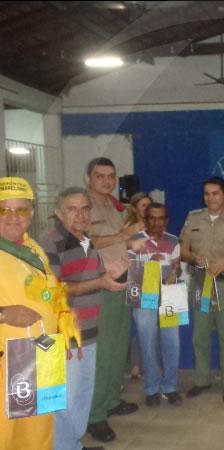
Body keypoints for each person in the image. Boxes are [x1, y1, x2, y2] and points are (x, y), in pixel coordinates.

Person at [42, 187, 126, 450]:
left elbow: (92, 276)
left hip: (89, 330)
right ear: (58, 212)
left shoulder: (85, 239)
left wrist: (110, 272)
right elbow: (52, 291)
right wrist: (99, 281)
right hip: (64, 334)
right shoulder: (50, 242)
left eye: (85, 208)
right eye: (72, 208)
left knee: (81, 396)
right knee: (64, 399)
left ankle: (73, 444)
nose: (80, 214)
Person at [0, 177, 76, 450]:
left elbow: (52, 293)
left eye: (20, 210)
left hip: (40, 357)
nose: (12, 217)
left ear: (31, 214)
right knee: (5, 436)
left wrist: (60, 333)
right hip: (5, 362)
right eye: (3, 210)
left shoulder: (34, 249)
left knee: (39, 433)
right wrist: (3, 314)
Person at [85, 158, 143, 443]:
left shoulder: (114, 205)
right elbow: (87, 241)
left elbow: (122, 241)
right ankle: (95, 415)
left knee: (119, 348)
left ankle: (110, 400)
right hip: (100, 285)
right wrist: (123, 235)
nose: (106, 181)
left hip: (123, 281)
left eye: (111, 176)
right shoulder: (83, 205)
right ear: (88, 178)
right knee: (104, 353)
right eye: (100, 176)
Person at [180, 176, 224, 403]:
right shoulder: (193, 218)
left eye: (215, 193)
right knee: (200, 334)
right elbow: (184, 251)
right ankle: (202, 379)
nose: (210, 198)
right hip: (201, 282)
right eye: (207, 194)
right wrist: (195, 258)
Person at [129, 202, 182, 407]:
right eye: (152, 218)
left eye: (161, 218)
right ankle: (151, 387)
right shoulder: (135, 240)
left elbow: (177, 266)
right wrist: (151, 264)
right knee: (147, 341)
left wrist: (175, 272)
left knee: (172, 341)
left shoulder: (173, 240)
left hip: (171, 293)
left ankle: (170, 386)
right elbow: (130, 269)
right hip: (144, 294)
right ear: (145, 219)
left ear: (166, 220)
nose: (157, 222)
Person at [123, 192, 152, 380]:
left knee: (150, 328)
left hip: (154, 281)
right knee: (140, 327)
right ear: (134, 208)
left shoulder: (156, 226)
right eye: (143, 205)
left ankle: (144, 366)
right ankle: (135, 365)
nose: (147, 209)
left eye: (150, 205)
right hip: (134, 282)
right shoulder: (127, 228)